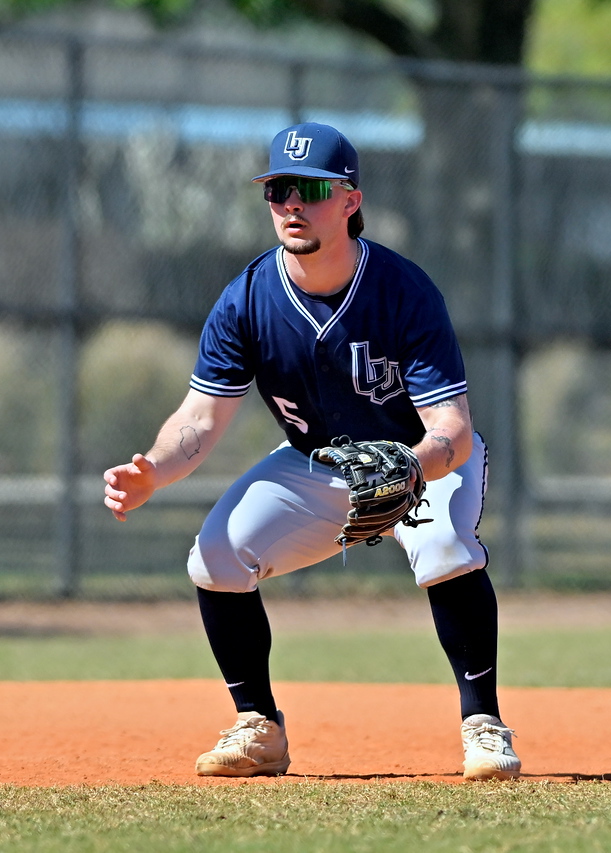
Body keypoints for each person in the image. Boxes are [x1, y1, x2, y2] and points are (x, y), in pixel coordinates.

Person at [103, 123, 519, 781]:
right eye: (279, 190)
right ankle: (258, 726)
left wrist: (412, 468)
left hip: (421, 458)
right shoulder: (247, 299)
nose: (293, 204)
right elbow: (201, 418)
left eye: (313, 190)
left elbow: (453, 428)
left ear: (350, 200)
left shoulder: (403, 291)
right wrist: (153, 469)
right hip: (316, 460)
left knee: (444, 545)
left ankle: (484, 725)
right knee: (215, 557)